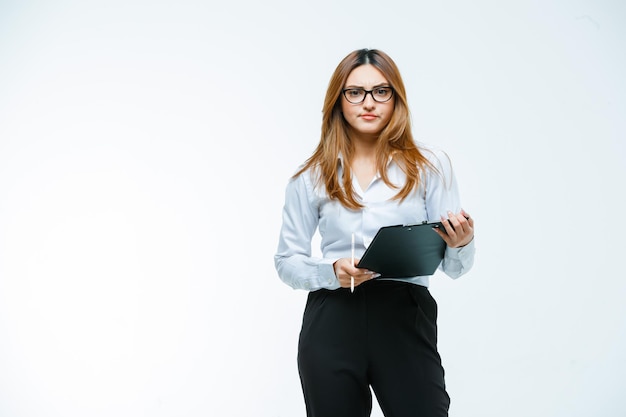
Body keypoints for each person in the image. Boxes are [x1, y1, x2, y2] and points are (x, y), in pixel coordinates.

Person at [274, 48, 475, 417]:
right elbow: (287, 261)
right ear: (339, 100)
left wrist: (462, 244)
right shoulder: (310, 176)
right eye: (355, 92)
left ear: (396, 98)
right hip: (333, 315)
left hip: (404, 312)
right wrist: (330, 271)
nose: (368, 102)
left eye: (381, 92)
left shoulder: (430, 166)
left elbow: (455, 268)